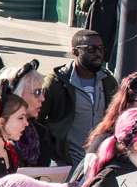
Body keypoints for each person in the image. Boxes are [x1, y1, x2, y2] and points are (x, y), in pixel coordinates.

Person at [37, 29, 117, 166]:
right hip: (66, 161)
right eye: (91, 49)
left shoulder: (108, 81)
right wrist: (52, 146)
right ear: (75, 52)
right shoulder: (57, 82)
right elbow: (37, 117)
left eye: (101, 48)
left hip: (99, 160)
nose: (98, 53)